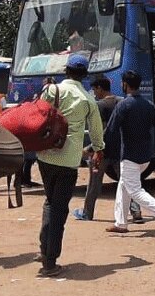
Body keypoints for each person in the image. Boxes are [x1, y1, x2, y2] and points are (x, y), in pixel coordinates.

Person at [36, 54, 105, 277]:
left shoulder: (52, 90)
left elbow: (37, 116)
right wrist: (98, 149)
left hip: (45, 155)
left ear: (66, 71)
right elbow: (96, 132)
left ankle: (43, 248)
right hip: (68, 161)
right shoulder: (87, 99)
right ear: (84, 75)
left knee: (49, 202)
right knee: (59, 209)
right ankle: (50, 260)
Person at [104, 71, 155, 236]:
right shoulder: (148, 105)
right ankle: (121, 223)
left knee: (134, 190)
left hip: (130, 156)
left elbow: (110, 131)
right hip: (146, 156)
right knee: (123, 186)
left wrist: (97, 149)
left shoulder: (123, 105)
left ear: (125, 84)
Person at [72, 78, 139, 222]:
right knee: (128, 183)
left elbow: (101, 131)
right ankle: (136, 212)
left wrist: (91, 148)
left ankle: (87, 213)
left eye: (95, 90)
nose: (94, 93)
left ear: (100, 88)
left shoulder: (99, 106)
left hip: (101, 151)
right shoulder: (122, 102)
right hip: (121, 150)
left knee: (94, 185)